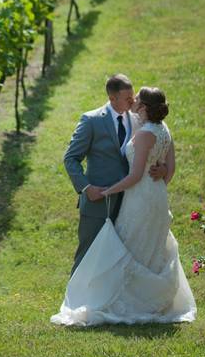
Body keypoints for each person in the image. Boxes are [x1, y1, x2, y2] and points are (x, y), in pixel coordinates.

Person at [51, 84, 196, 326]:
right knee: (137, 249)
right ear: (113, 97)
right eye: (128, 97)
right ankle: (144, 300)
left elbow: (139, 174)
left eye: (135, 98)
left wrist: (109, 190)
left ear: (143, 107)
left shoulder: (142, 126)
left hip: (137, 197)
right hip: (154, 197)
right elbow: (170, 170)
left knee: (134, 250)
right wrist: (89, 189)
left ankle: (130, 303)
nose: (132, 102)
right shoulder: (158, 127)